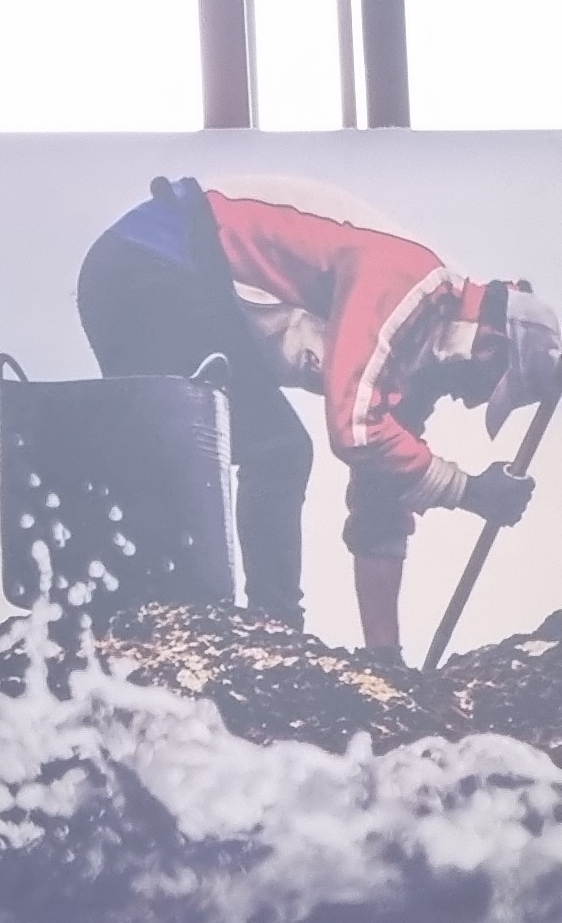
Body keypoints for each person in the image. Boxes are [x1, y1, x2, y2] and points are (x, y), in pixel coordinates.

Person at [80, 174, 558, 648]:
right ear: (491, 344)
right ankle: (272, 633)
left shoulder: (414, 366)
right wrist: (469, 491)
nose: (470, 401)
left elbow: (380, 505)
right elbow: (354, 430)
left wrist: (385, 657)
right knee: (276, 451)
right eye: (485, 387)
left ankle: (258, 626)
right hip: (153, 262)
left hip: (172, 281)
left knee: (261, 451)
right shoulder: (408, 283)